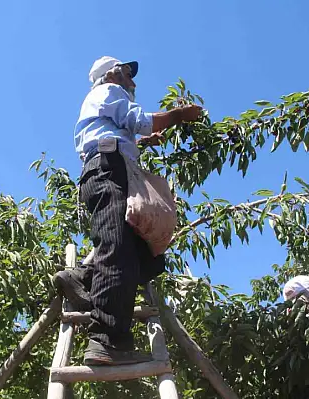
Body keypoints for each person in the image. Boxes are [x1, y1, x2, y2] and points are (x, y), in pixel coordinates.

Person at [52, 56, 201, 366]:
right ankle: (107, 339)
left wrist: (142, 142)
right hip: (109, 170)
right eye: (126, 72)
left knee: (147, 259)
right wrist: (179, 115)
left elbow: (121, 133)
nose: (132, 79)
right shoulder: (108, 91)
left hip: (111, 166)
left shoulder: (105, 101)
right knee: (117, 248)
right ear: (112, 73)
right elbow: (139, 119)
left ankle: (81, 277)